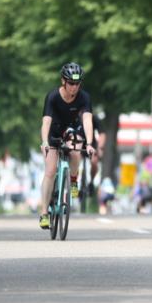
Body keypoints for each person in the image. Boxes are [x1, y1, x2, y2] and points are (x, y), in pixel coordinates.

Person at [37, 62, 95, 229]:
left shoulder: (84, 98)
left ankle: (74, 180)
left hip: (71, 129)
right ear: (63, 81)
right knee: (50, 171)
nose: (74, 87)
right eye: (71, 83)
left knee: (76, 149)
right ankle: (44, 213)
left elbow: (87, 120)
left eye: (77, 84)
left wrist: (90, 143)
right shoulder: (53, 96)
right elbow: (46, 122)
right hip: (53, 131)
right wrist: (45, 142)